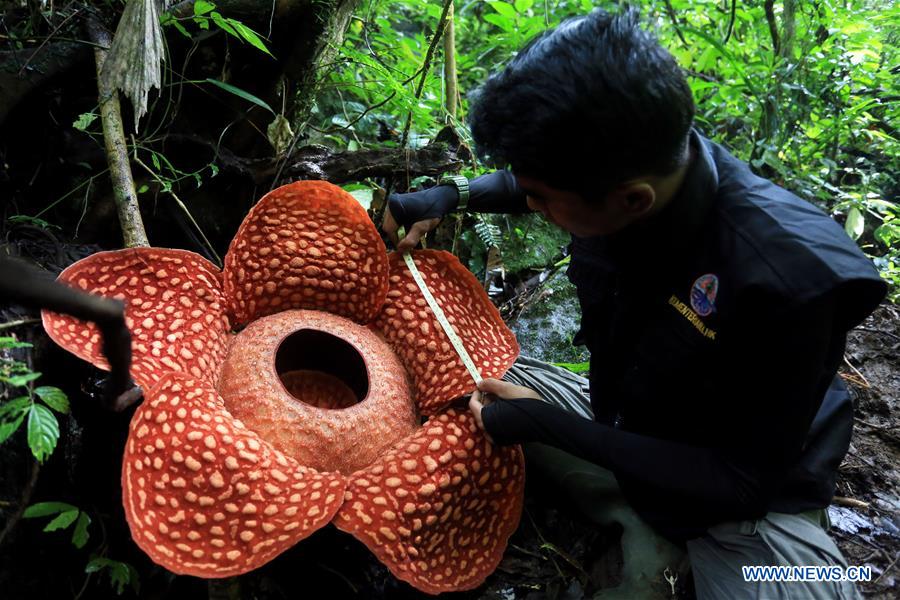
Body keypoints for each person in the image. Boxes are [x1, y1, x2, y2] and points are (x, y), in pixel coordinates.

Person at [382, 7, 886, 599]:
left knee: (804, 589)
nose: (532, 202)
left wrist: (548, 424)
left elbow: (740, 481)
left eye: (543, 198)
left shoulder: (789, 277)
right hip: (619, 419)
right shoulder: (642, 153)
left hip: (741, 503)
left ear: (631, 201)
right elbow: (534, 183)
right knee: (448, 372)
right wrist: (449, 194)